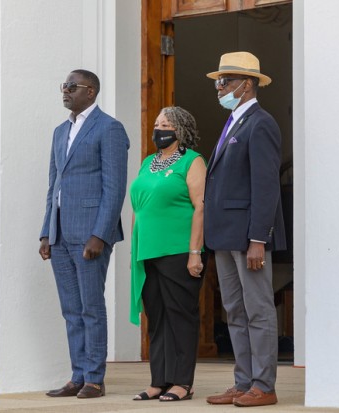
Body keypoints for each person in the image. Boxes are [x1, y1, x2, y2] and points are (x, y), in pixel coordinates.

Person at [39, 69, 129, 399]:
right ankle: (77, 375)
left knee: (91, 307)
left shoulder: (110, 128)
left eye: (72, 87)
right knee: (71, 309)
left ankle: (94, 377)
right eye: (63, 86)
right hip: (60, 234)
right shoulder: (60, 131)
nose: (65, 91)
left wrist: (100, 234)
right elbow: (54, 186)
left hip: (90, 233)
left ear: (90, 92)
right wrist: (46, 232)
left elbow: (115, 186)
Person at [203, 51, 286, 407]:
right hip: (224, 235)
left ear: (247, 84)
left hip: (248, 236)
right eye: (219, 81)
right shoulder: (234, 122)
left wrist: (258, 238)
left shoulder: (260, 122)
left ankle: (264, 385)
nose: (219, 87)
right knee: (234, 311)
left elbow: (265, 185)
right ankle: (243, 381)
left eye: (226, 81)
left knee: (258, 310)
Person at [129, 106, 207, 402]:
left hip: (178, 250)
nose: (159, 129)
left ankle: (182, 382)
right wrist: (134, 252)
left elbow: (200, 206)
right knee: (157, 317)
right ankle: (158, 380)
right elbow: (139, 207)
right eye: (157, 123)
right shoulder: (148, 162)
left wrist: (195, 252)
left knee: (181, 315)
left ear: (180, 130)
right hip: (147, 251)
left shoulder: (192, 161)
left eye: (166, 124)